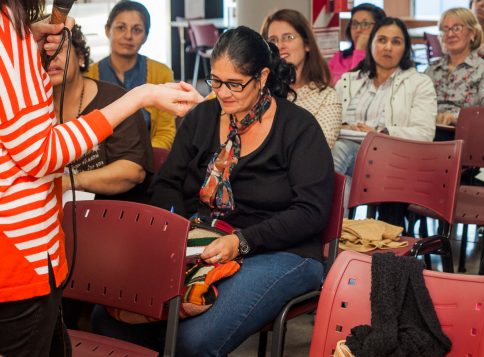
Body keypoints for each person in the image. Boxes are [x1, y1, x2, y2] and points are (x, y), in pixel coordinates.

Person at [0, 0, 202, 357]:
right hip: (15, 258)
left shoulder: (15, 27)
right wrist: (139, 97)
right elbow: (38, 154)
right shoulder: (6, 31)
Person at [94, 27, 334, 356]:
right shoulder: (204, 117)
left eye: (235, 84)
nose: (223, 93)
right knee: (110, 317)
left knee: (194, 340)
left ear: (262, 77)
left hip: (280, 250)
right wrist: (180, 231)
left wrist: (242, 241)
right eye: (216, 81)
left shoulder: (298, 128)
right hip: (204, 240)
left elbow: (311, 212)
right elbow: (167, 183)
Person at [51, 24, 153, 203]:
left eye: (60, 50)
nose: (51, 59)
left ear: (81, 56)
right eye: (43, 54)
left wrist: (72, 182)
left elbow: (133, 171)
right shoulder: (30, 108)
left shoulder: (116, 101)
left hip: (115, 212)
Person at [333, 17, 436, 179]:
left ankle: (318, 202)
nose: (388, 47)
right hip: (348, 156)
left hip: (391, 158)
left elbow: (424, 134)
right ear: (371, 44)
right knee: (335, 155)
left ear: (405, 49)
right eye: (381, 40)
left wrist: (380, 133)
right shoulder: (348, 81)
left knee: (340, 150)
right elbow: (329, 123)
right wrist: (346, 126)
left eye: (396, 42)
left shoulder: (419, 83)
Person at [87, 0, 176, 149]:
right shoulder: (88, 75)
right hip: (99, 163)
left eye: (137, 30)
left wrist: (140, 159)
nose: (128, 36)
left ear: (146, 36)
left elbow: (165, 132)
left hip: (147, 161)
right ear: (107, 30)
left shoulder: (161, 74)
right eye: (121, 28)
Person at [262, 9, 341, 149]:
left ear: (307, 44)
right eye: (273, 40)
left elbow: (316, 149)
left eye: (289, 37)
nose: (280, 46)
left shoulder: (326, 97)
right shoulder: (258, 92)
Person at [425, 7, 484, 126]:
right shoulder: (432, 69)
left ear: (472, 33)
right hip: (428, 133)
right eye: (445, 30)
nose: (450, 34)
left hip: (465, 135)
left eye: (457, 28)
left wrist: (455, 118)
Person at [328, 3, 386, 85]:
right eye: (354, 24)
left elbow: (357, 88)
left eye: (365, 24)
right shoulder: (339, 57)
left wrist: (360, 51)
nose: (358, 29)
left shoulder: (384, 60)